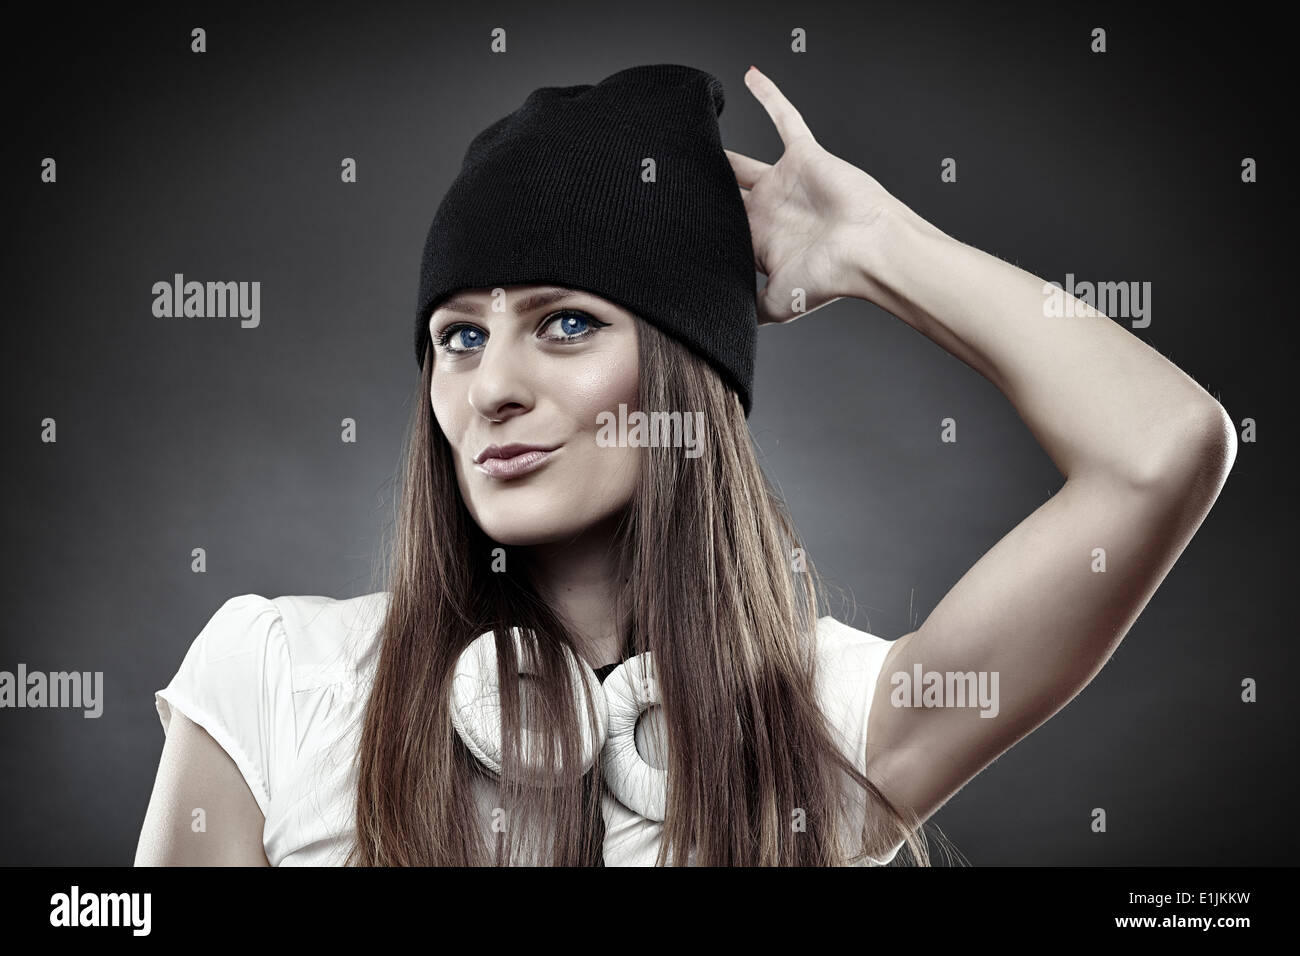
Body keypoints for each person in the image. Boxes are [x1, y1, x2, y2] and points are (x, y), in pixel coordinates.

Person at [135, 64, 1235, 867]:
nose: (491, 385)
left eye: (565, 323)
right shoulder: (274, 678)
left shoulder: (836, 723)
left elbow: (1160, 448)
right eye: (460, 333)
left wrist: (875, 245)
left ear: (683, 376)